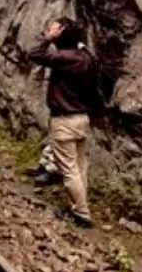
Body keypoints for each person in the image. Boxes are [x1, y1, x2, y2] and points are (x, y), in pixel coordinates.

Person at [26, 17, 100, 228]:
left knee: (69, 171)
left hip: (65, 121)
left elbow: (35, 54)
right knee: (80, 167)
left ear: (61, 34)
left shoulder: (65, 58)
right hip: (82, 119)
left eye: (54, 29)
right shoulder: (86, 57)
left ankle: (82, 214)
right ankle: (80, 207)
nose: (50, 30)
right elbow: (82, 48)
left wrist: (48, 38)